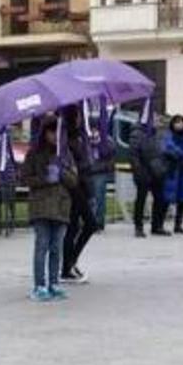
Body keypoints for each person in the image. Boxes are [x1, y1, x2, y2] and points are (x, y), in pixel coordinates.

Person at [22, 116, 77, 301]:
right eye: (51, 131)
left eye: (58, 132)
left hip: (61, 206)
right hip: (41, 206)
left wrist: (61, 173)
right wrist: (45, 178)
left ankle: (54, 283)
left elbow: (74, 181)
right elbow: (26, 178)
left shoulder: (65, 154)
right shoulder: (34, 153)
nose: (55, 136)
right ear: (44, 133)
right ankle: (39, 285)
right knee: (42, 246)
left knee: (56, 247)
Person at [60, 106, 99, 284]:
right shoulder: (66, 138)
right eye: (77, 116)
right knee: (86, 224)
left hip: (83, 184)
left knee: (78, 226)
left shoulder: (80, 136)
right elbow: (70, 164)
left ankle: (69, 263)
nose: (80, 119)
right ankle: (67, 266)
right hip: (74, 186)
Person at [129, 115, 169, 237]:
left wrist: (164, 166)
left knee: (161, 199)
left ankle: (157, 226)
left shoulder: (159, 134)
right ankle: (138, 226)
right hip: (143, 170)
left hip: (157, 170)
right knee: (141, 199)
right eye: (155, 119)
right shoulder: (137, 133)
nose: (158, 122)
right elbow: (133, 154)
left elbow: (163, 151)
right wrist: (138, 169)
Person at [88, 127, 118, 233]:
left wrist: (105, 167)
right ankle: (88, 221)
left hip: (100, 172)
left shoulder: (107, 140)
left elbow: (112, 155)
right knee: (89, 199)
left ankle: (98, 222)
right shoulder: (85, 139)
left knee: (99, 198)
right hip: (87, 172)